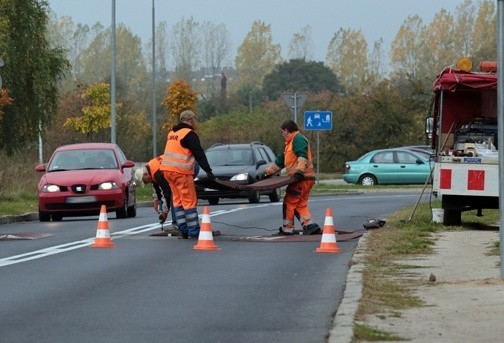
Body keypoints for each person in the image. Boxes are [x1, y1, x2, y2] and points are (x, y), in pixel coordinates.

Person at [160, 110, 215, 239]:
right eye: (194, 120)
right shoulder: (189, 134)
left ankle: (183, 229)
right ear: (190, 120)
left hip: (167, 171)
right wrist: (208, 171)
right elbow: (199, 153)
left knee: (178, 201)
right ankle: (194, 231)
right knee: (189, 200)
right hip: (181, 172)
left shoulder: (172, 133)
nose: (195, 122)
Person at [263, 120, 322, 236]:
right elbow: (280, 162)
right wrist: (267, 172)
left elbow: (302, 156)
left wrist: (299, 172)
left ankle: (288, 229)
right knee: (300, 204)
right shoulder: (290, 143)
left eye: (282, 131)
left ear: (287, 130)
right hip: (305, 179)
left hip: (301, 178)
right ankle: (310, 225)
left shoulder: (298, 139)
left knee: (289, 202)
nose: (282, 134)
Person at [134, 155, 172, 225]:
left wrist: (165, 212)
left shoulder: (157, 173)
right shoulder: (150, 167)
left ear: (145, 174)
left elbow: (166, 192)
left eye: (145, 181)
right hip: (178, 169)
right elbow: (156, 186)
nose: (146, 183)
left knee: (175, 199)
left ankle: (177, 224)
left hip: (183, 170)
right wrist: (156, 200)